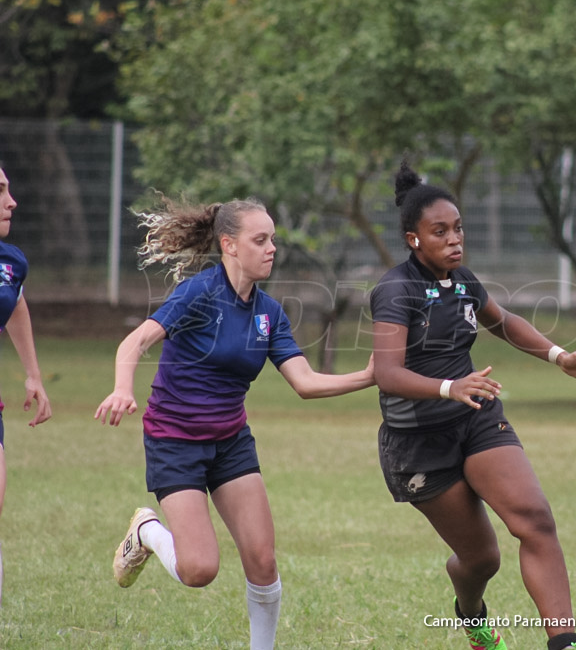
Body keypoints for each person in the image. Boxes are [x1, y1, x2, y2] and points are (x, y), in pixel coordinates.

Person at [95, 197, 374, 649]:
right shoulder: (199, 293)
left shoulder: (269, 313)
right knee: (200, 570)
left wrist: (366, 376)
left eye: (273, 241)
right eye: (259, 240)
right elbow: (134, 342)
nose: (271, 249)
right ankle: (145, 530)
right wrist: (123, 388)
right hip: (175, 441)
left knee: (263, 561)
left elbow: (303, 382)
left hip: (230, 442)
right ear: (229, 244)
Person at [371, 161, 576, 650]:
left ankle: (566, 644)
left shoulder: (462, 279)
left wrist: (557, 355)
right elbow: (387, 374)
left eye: (458, 228)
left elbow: (501, 321)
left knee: (535, 519)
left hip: (476, 417)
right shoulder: (395, 290)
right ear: (412, 239)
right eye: (439, 231)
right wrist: (449, 387)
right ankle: (473, 617)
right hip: (418, 442)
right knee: (482, 559)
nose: (454, 239)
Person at [0, 167, 53, 606]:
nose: (12, 201)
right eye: (0, 191)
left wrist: (33, 373)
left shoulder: (11, 262)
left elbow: (14, 302)